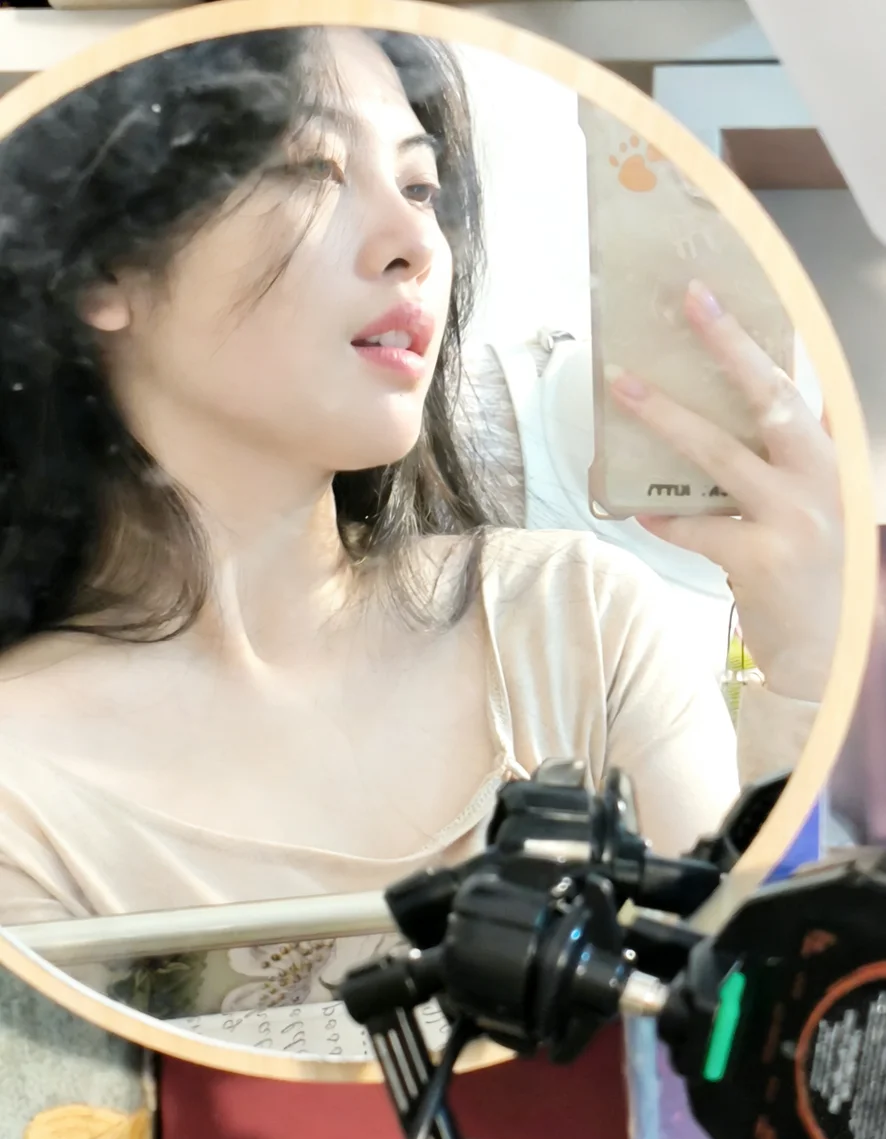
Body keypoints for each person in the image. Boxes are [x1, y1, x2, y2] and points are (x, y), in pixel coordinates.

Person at [0, 27, 838, 985]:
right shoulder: (22, 784)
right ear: (104, 267)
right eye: (312, 168)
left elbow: (754, 1026)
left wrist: (810, 663)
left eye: (420, 187)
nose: (414, 246)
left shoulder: (576, 629)